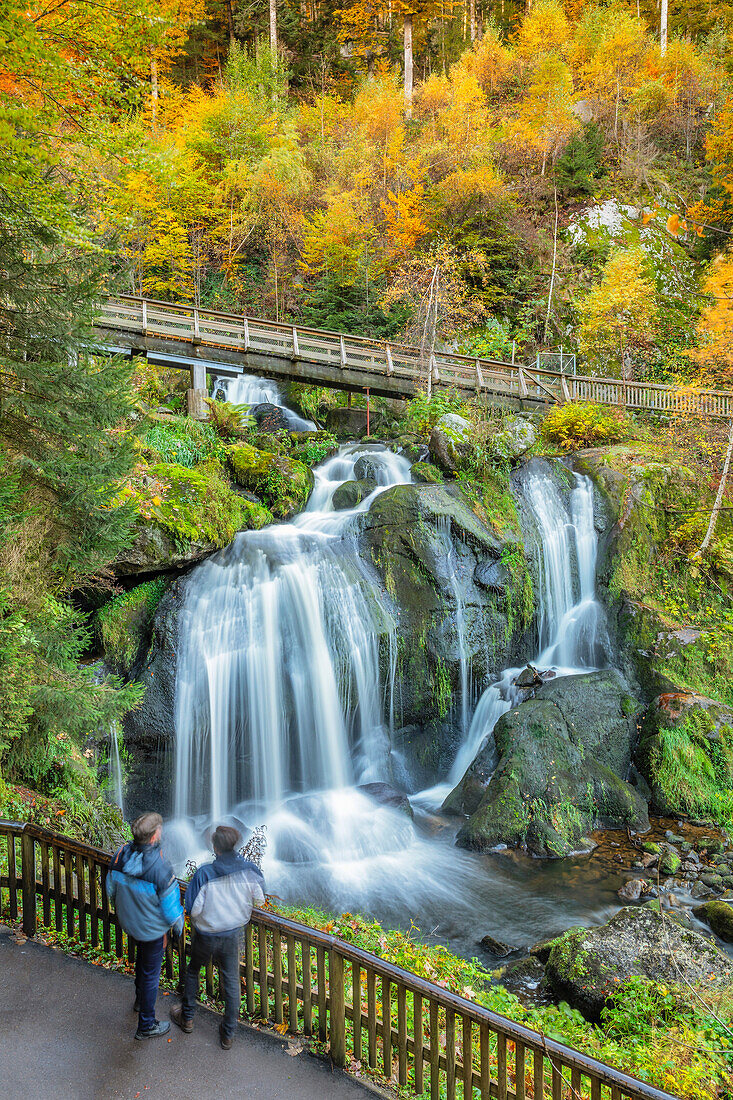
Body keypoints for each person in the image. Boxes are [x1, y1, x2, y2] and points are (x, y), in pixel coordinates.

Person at [171, 825, 265, 1049]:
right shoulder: (249, 871)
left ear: (215, 848)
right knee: (231, 980)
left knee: (194, 971)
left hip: (206, 934)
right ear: (236, 845)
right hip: (233, 933)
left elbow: (193, 909)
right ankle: (228, 1033)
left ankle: (188, 1018)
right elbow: (260, 900)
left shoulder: (204, 874)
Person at [107, 811, 184, 1040]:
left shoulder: (120, 854)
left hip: (130, 922)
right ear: (153, 836)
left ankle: (141, 1001)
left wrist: (123, 911)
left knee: (142, 961)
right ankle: (147, 1025)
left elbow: (111, 891)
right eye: (159, 829)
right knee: (151, 974)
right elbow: (172, 913)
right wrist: (179, 928)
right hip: (151, 930)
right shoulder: (160, 870)